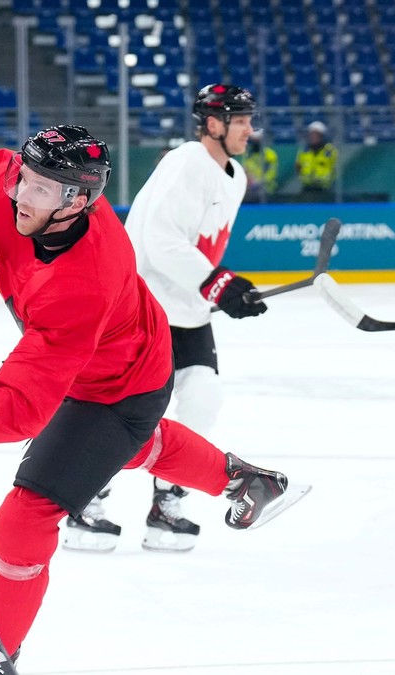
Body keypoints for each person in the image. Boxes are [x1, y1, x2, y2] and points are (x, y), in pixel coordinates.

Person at [0, 124, 308, 673]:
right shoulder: (12, 182)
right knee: (122, 448)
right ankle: (245, 480)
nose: (20, 193)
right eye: (23, 177)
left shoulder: (84, 279)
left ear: (78, 201)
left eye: (40, 188)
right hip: (101, 365)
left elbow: (22, 403)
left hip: (121, 385)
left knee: (23, 520)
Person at [89, 83, 267, 554]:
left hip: (188, 310)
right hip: (141, 308)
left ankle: (166, 505)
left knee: (203, 397)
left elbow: (196, 249)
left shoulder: (237, 176)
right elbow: (161, 240)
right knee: (121, 414)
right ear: (213, 123)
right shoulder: (187, 160)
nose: (251, 129)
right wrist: (218, 283)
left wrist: (222, 290)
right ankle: (86, 501)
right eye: (242, 119)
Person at [295, 120, 337, 197]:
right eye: (311, 135)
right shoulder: (304, 150)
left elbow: (335, 168)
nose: (312, 137)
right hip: (307, 188)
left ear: (322, 136)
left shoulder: (330, 151)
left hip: (324, 189)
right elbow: (298, 166)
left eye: (315, 135)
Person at [242, 129, 278, 202]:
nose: (255, 142)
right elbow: (245, 170)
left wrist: (259, 183)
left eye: (258, 140)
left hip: (267, 190)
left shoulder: (270, 154)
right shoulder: (248, 155)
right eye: (253, 140)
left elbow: (272, 173)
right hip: (251, 191)